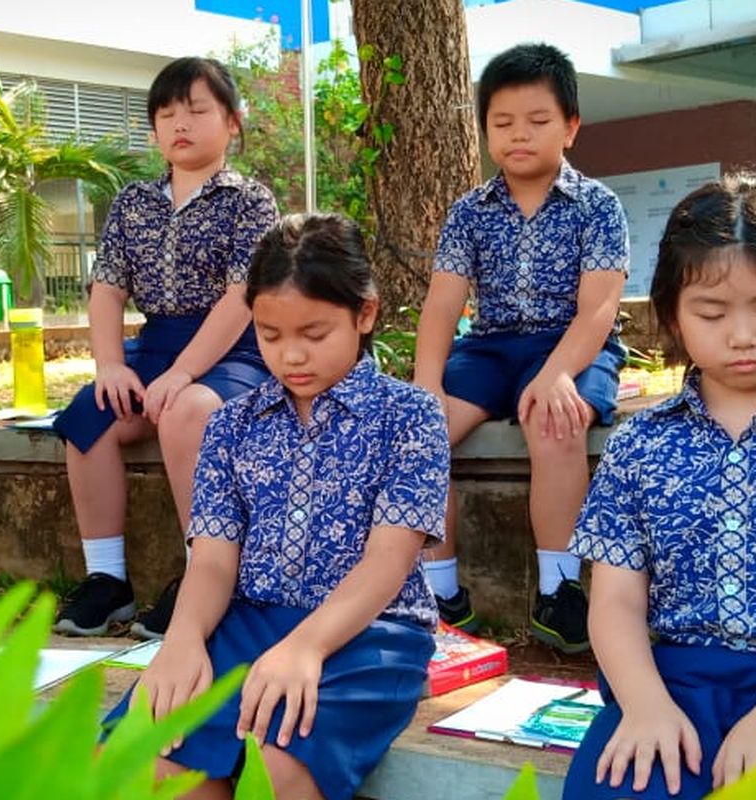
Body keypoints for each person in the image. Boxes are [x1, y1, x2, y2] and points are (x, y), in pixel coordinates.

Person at [105, 214, 450, 800]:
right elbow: (212, 560)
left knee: (279, 765)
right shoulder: (231, 425)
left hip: (369, 633)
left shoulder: (411, 416)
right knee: (149, 758)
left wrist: (306, 648)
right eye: (269, 335)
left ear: (364, 314)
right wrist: (184, 639)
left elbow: (387, 562)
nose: (292, 356)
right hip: (247, 622)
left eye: (314, 335)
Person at [412, 42, 629, 652]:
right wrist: (427, 380)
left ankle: (559, 592)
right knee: (419, 428)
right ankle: (440, 589)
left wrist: (559, 374)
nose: (519, 136)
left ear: (571, 127)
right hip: (489, 350)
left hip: (571, 344)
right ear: (485, 132)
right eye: (502, 123)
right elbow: (443, 305)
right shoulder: (468, 212)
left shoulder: (598, 207)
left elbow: (600, 310)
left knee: (556, 421)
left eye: (537, 121)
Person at [52, 57, 277, 639]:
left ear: (231, 121)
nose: (181, 123)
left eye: (197, 110)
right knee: (88, 417)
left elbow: (240, 299)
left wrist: (182, 372)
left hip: (237, 352)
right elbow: (106, 289)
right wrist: (110, 367)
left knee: (186, 410)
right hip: (152, 348)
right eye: (167, 113)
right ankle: (107, 581)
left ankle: (202, 574)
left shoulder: (251, 201)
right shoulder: (133, 203)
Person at [563, 176, 756, 799]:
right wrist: (645, 705)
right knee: (616, 784)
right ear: (672, 313)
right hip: (668, 680)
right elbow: (616, 602)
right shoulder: (639, 446)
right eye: (713, 312)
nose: (743, 334)